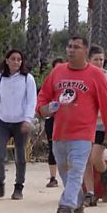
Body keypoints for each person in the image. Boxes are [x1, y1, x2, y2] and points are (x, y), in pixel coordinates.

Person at [36, 36, 107, 213]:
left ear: (85, 52)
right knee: (64, 170)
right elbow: (43, 98)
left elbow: (106, 105)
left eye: (76, 47)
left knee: (76, 171)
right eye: (69, 46)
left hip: (83, 134)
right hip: (59, 133)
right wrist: (44, 109)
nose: (71, 50)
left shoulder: (96, 75)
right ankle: (78, 206)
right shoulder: (57, 72)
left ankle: (65, 207)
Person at [0, 49, 37, 200]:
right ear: (7, 60)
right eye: (13, 59)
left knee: (20, 156)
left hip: (20, 122)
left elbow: (31, 101)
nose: (16, 62)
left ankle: (19, 186)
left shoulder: (28, 79)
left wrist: (28, 119)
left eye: (19, 60)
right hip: (3, 122)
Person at [82, 45, 107, 205]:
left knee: (95, 157)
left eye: (101, 60)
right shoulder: (83, 76)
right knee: (85, 160)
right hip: (86, 124)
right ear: (88, 60)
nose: (99, 63)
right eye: (96, 60)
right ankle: (90, 193)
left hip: (103, 125)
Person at [44, 57, 65, 188]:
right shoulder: (49, 82)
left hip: (67, 119)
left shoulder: (70, 82)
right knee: (53, 148)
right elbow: (42, 99)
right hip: (52, 118)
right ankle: (53, 177)